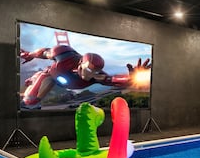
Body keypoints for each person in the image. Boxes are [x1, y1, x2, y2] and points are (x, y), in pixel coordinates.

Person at [20, 44, 151, 109]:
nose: (90, 75)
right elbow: (44, 52)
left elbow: (115, 80)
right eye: (88, 70)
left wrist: (132, 77)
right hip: (51, 75)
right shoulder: (64, 54)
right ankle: (32, 83)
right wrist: (30, 55)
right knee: (30, 101)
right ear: (81, 63)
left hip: (66, 83)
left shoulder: (98, 77)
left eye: (94, 72)